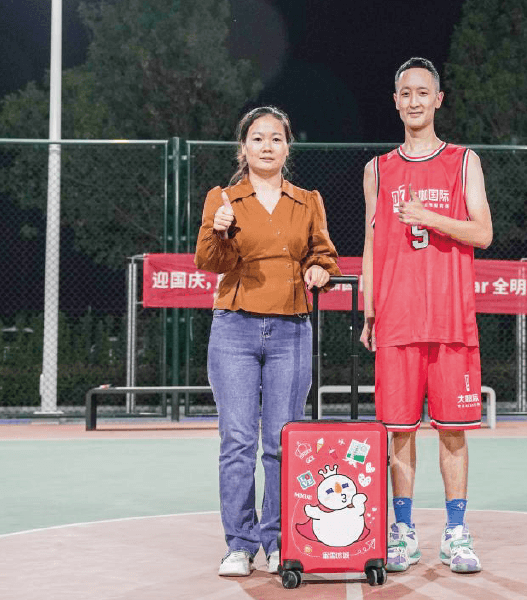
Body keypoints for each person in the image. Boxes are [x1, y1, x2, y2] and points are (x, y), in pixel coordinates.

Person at [359, 57, 493, 574]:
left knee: (453, 432)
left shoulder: (463, 161)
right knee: (400, 432)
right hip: (397, 318)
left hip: (450, 316)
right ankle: (404, 532)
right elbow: (371, 243)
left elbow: (482, 233)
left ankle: (456, 534)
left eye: (423, 92)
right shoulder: (377, 169)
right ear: (395, 102)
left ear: (438, 99)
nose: (414, 100)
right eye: (405, 93)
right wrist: (370, 311)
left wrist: (428, 216)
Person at [195, 105, 340, 577]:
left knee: (282, 440)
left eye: (276, 138)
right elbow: (209, 261)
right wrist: (218, 231)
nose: (267, 146)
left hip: (291, 330)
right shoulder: (223, 198)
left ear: (287, 148)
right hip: (234, 328)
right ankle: (239, 545)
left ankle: (279, 541)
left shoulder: (308, 201)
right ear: (244, 148)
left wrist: (319, 270)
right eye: (257, 138)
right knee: (238, 441)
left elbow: (324, 255)